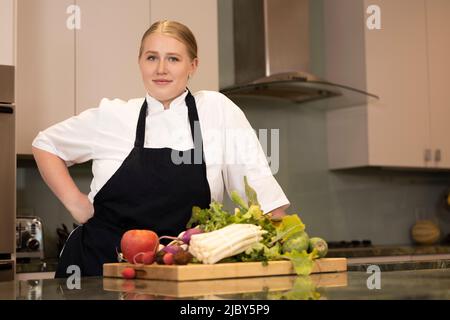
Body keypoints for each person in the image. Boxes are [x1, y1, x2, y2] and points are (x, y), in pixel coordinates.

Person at [32, 20, 290, 278]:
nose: (161, 69)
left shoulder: (216, 111)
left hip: (183, 273)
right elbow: (45, 144)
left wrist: (283, 251)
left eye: (174, 59)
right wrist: (76, 203)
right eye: (152, 57)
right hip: (98, 268)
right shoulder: (114, 115)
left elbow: (264, 201)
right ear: (140, 62)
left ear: (193, 65)